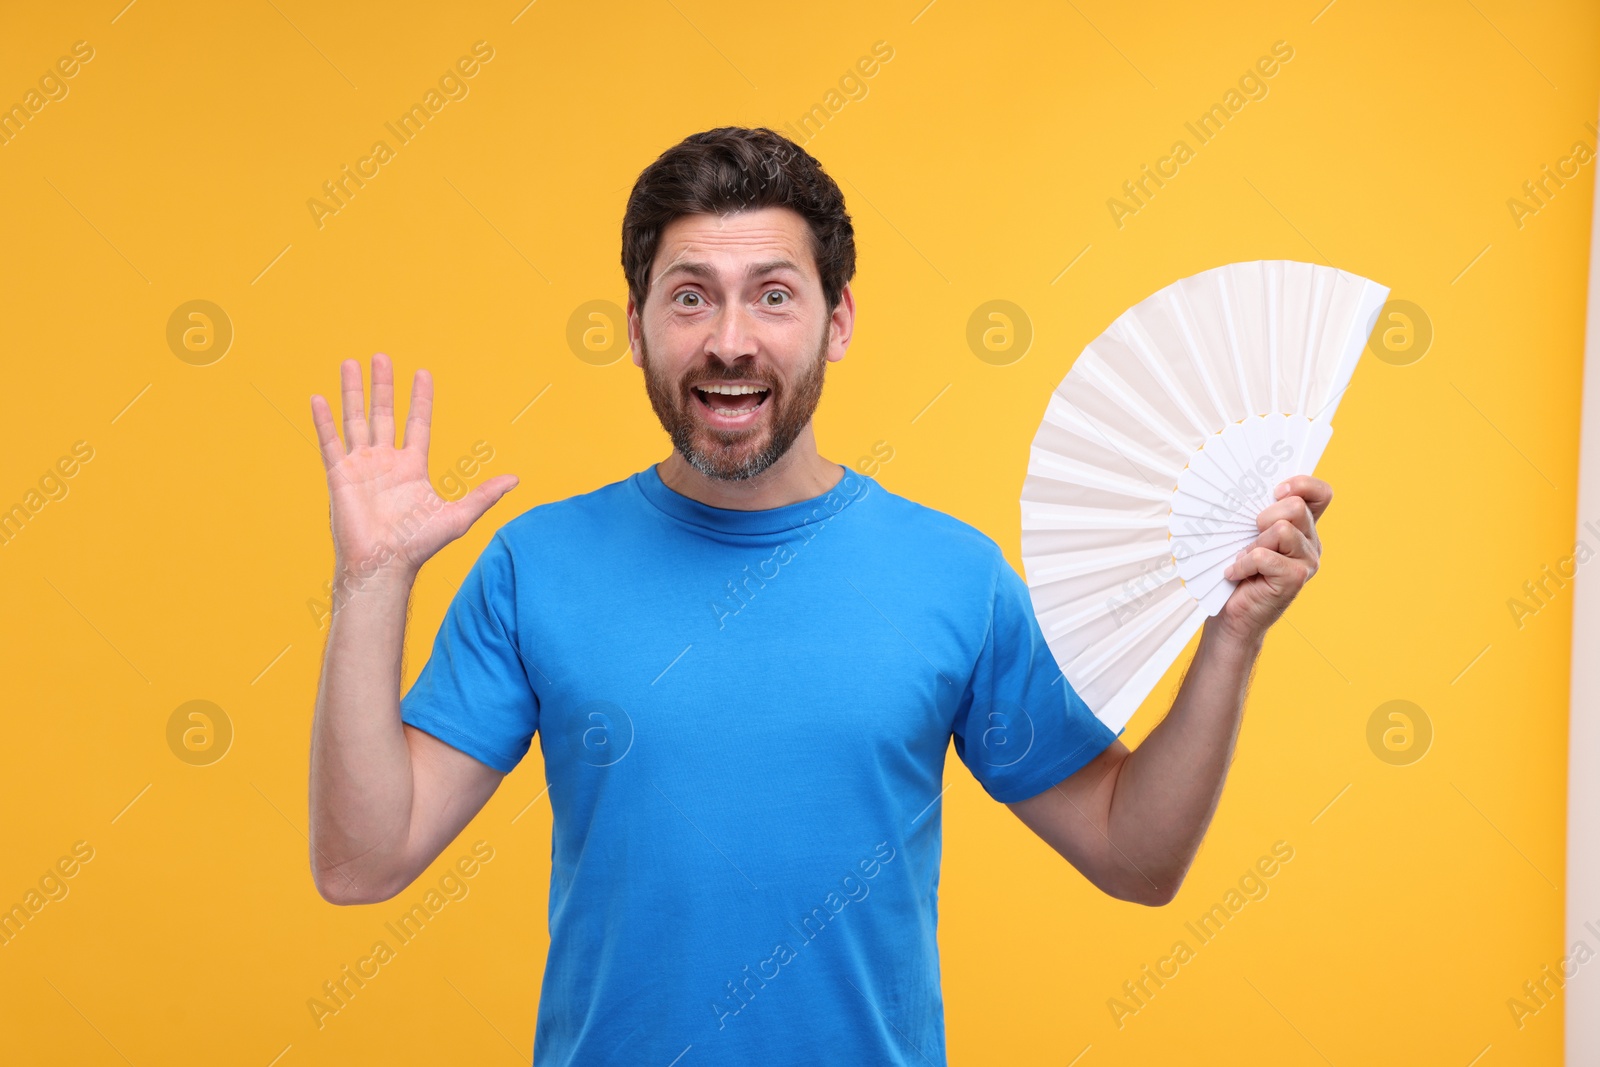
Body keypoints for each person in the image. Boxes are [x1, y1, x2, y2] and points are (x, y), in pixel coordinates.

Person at [305, 126, 1330, 1065]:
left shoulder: (951, 577)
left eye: (774, 293)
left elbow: (1132, 852)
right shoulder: (538, 564)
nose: (731, 339)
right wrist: (371, 581)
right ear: (635, 324)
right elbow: (362, 861)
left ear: (838, 321)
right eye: (691, 293)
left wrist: (1231, 636)